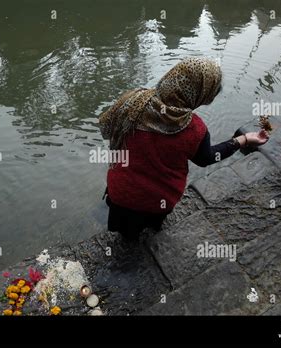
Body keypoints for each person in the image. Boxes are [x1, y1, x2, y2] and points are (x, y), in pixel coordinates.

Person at [99, 57, 269, 240]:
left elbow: (105, 127)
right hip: (159, 201)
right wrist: (244, 139)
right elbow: (207, 159)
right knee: (153, 226)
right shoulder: (195, 130)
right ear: (200, 95)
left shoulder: (132, 102)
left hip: (120, 193)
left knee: (127, 235)